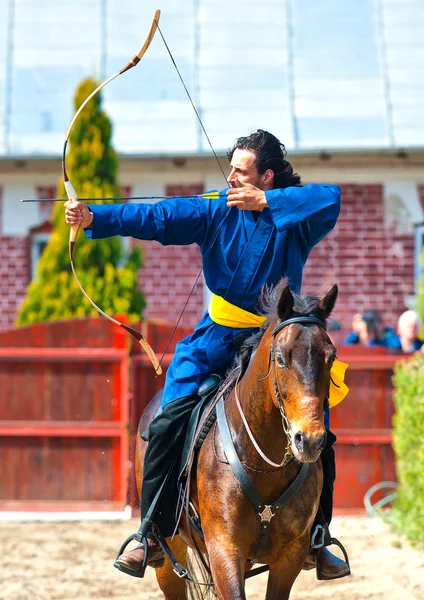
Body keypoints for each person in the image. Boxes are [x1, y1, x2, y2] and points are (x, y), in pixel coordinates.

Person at [65, 129, 349, 580]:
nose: (231, 177)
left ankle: (318, 536)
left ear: (266, 177)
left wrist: (268, 205)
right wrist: (94, 218)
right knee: (167, 418)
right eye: (231, 168)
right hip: (215, 339)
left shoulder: (295, 215)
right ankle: (152, 532)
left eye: (241, 171)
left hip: (275, 342)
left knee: (316, 425)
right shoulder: (216, 208)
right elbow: (158, 216)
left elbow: (331, 198)